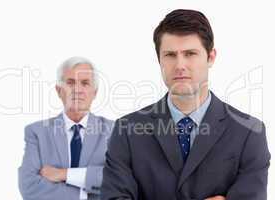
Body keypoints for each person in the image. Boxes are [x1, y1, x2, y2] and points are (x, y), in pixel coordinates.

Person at [101, 9, 270, 200]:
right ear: (159, 60)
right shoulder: (127, 130)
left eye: (190, 53)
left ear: (211, 57)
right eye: (171, 55)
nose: (180, 65)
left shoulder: (249, 132)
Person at [18, 56, 114, 200]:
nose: (77, 90)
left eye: (85, 83)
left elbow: (116, 178)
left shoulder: (113, 130)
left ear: (95, 92)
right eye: (70, 83)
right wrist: (85, 193)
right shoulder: (37, 132)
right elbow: (28, 185)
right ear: (58, 90)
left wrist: (63, 174)